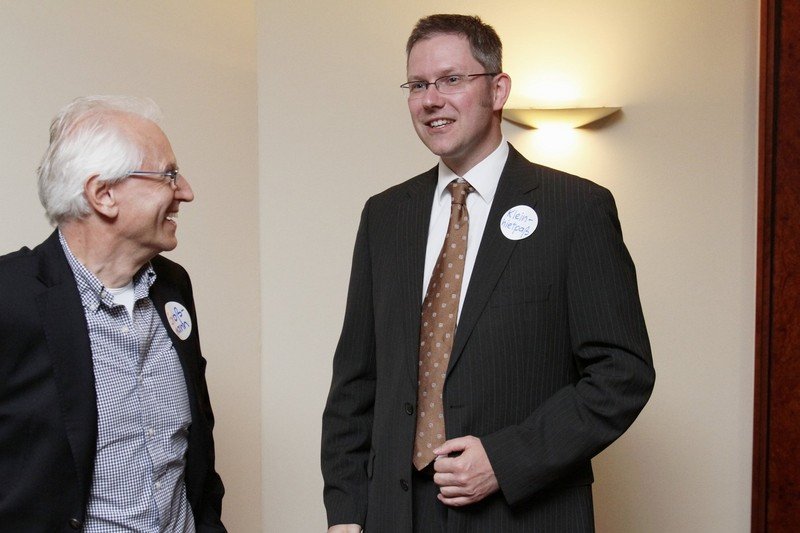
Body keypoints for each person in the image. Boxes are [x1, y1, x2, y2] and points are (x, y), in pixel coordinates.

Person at [321, 14, 655, 532]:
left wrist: (506, 459)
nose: (431, 100)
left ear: (498, 90)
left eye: (451, 79)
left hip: (520, 512)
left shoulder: (575, 208)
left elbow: (622, 373)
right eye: (418, 85)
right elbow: (355, 381)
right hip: (395, 513)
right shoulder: (386, 215)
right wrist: (345, 513)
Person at [0, 95, 226, 532]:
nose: (186, 191)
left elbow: (199, 444)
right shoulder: (11, 297)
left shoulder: (173, 287)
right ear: (103, 195)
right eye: (168, 175)